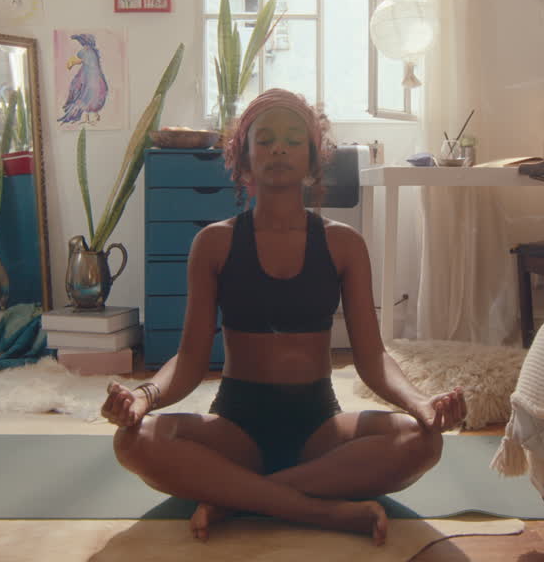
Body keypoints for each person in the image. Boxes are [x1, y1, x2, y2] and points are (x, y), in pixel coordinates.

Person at [101, 88, 466, 545]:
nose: (278, 148)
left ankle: (236, 498)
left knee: (424, 440)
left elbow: (372, 359)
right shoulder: (214, 244)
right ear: (244, 158)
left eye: (294, 139)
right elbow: (190, 361)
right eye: (265, 139)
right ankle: (322, 510)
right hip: (235, 426)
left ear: (314, 160)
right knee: (132, 441)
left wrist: (421, 405)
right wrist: (144, 397)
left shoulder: (343, 244)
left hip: (320, 428)